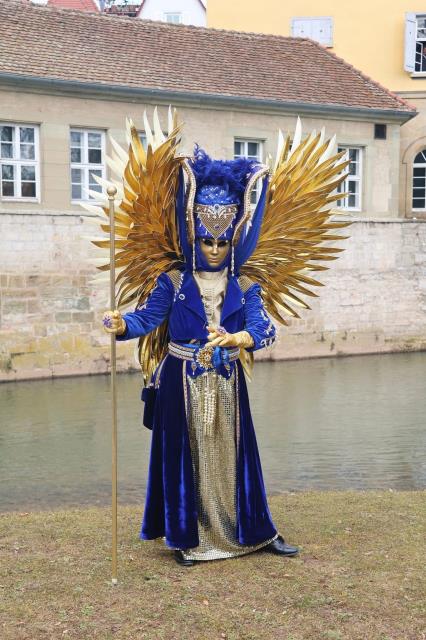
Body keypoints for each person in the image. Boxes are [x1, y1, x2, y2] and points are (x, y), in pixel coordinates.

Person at [94, 111, 349, 566]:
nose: (214, 249)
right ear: (193, 237)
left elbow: (264, 328)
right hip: (180, 379)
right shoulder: (173, 281)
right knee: (184, 457)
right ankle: (185, 537)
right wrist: (120, 325)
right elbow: (146, 319)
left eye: (222, 242)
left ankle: (254, 530)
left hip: (226, 378)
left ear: (234, 241)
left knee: (235, 456)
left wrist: (239, 339)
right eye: (206, 241)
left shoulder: (246, 285)